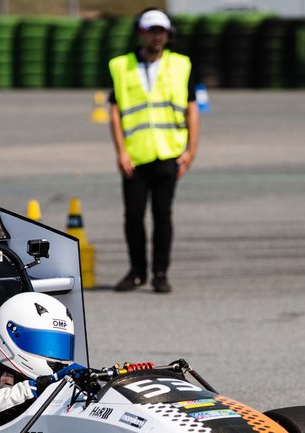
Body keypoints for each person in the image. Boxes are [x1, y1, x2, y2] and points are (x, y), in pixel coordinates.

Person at [108, 8, 199, 294]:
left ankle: (160, 273)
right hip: (134, 156)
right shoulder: (122, 67)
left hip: (168, 154)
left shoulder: (181, 65)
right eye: (151, 30)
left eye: (161, 31)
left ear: (168, 34)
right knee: (133, 216)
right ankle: (137, 271)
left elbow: (192, 109)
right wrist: (121, 151)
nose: (157, 36)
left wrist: (191, 151)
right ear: (141, 33)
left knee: (163, 215)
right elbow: (114, 111)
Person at [0, 292, 83, 431]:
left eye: (60, 345)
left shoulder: (60, 381)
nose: (54, 355)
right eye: (43, 344)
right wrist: (40, 387)